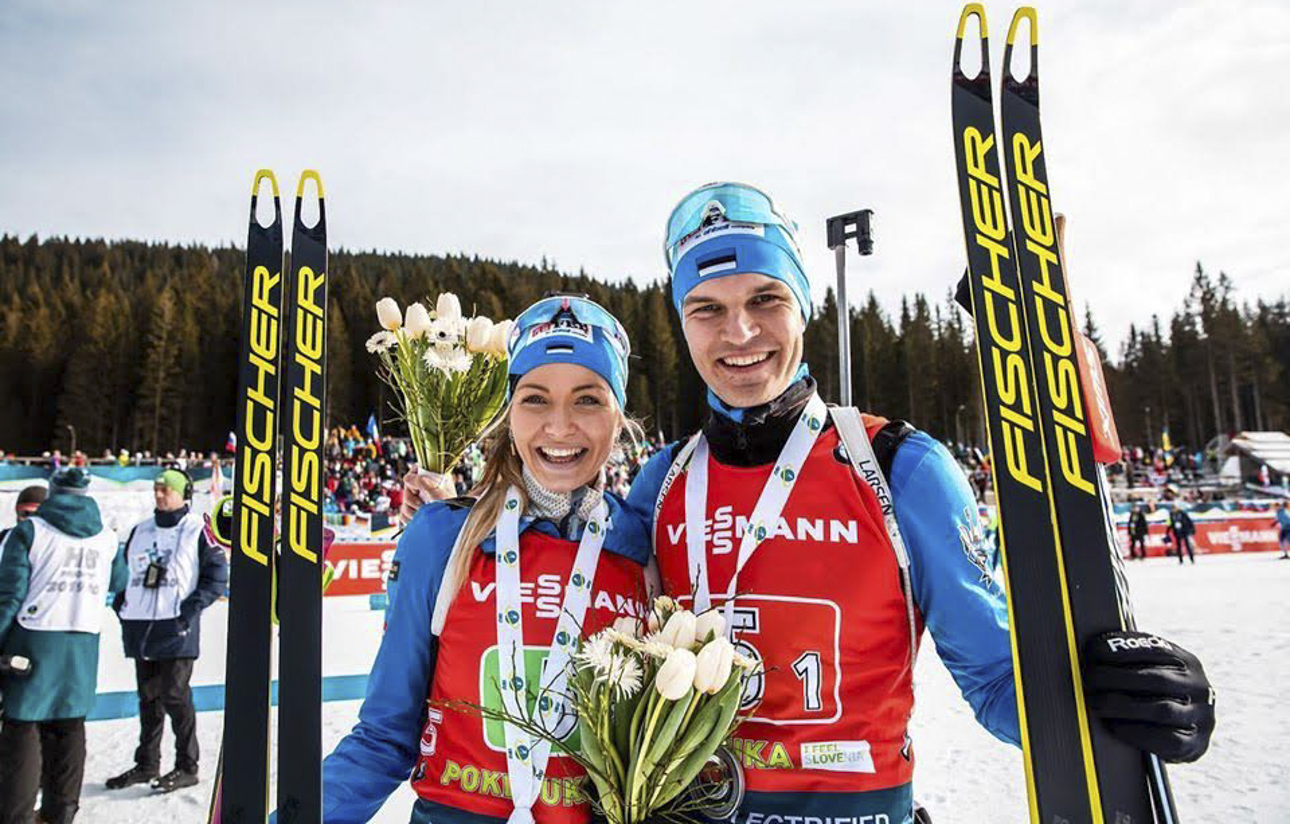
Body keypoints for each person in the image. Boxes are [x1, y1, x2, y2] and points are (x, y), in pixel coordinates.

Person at [621, 182, 1215, 822]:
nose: (739, 331)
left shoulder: (902, 467)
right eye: (706, 308)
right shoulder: (660, 482)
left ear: (804, 306)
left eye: (766, 298)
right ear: (681, 323)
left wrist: (1125, 702)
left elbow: (995, 682)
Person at [318, 296, 651, 824]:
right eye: (535, 399)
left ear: (619, 416)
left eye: (588, 400)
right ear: (509, 412)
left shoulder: (644, 548)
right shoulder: (442, 537)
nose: (560, 427)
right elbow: (384, 735)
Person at [0, 467, 128, 824]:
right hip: (82, 644)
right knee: (69, 726)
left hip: (33, 640)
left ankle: (16, 815)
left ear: (53, 492)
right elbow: (120, 579)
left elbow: (10, 596)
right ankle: (61, 813)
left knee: (22, 727)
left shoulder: (31, 532)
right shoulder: (106, 537)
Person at [106, 469, 228, 793]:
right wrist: (122, 604)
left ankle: (187, 765)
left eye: (167, 489)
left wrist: (188, 613)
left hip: (176, 629)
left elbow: (217, 576)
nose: (160, 494)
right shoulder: (140, 530)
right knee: (148, 698)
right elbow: (124, 573)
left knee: (174, 695)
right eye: (157, 488)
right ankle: (147, 763)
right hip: (141, 626)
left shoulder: (197, 530)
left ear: (183, 493)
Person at [0, 486, 46, 552]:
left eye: (36, 515)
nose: (30, 521)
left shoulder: (59, 543)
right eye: (25, 514)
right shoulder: (4, 538)